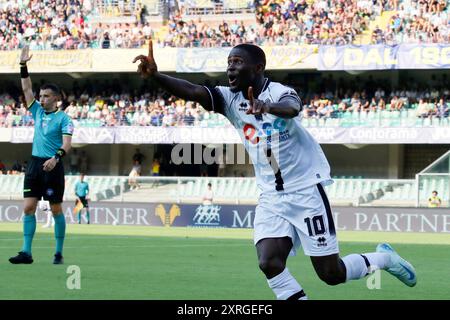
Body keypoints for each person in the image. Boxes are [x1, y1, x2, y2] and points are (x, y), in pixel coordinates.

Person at [133, 42, 417, 299]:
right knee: (269, 262)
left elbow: (293, 108)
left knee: (331, 274)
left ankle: (385, 260)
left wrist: (267, 107)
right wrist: (157, 77)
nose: (230, 67)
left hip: (306, 190)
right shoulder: (228, 99)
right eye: (229, 62)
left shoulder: (278, 91)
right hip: (271, 195)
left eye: (237, 62)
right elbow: (193, 91)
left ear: (258, 68)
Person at [9, 45, 73, 265]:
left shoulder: (64, 118)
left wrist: (55, 158)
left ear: (56, 98)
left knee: (55, 209)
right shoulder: (36, 110)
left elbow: (67, 144)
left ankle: (58, 252)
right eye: (41, 96)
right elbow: (27, 89)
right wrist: (23, 65)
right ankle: (26, 252)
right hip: (35, 164)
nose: (41, 99)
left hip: (53, 165)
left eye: (46, 96)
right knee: (28, 207)